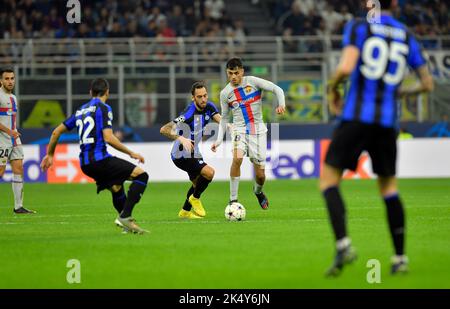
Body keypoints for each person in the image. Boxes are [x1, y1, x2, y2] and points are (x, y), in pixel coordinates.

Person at [321, 0, 434, 276]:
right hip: (386, 123)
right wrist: (397, 91)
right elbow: (428, 84)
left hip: (357, 117)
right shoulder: (406, 34)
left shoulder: (359, 27)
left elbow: (346, 67)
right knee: (389, 189)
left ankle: (344, 245)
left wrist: (332, 88)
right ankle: (399, 258)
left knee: (328, 179)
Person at [40, 78, 149, 234]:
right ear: (107, 92)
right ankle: (125, 216)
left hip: (85, 164)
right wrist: (131, 153)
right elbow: (108, 137)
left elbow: (56, 131)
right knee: (142, 176)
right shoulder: (104, 108)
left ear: (90, 92)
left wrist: (50, 155)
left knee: (116, 186)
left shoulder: (80, 111)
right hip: (100, 159)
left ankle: (126, 223)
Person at [212, 58, 285, 209]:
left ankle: (258, 192)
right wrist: (219, 140)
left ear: (242, 72)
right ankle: (233, 200)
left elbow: (277, 89)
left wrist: (281, 104)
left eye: (236, 73)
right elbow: (225, 118)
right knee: (237, 158)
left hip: (258, 132)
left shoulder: (253, 81)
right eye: (230, 73)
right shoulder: (225, 93)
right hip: (239, 130)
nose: (233, 77)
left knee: (260, 175)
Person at [160, 81, 220, 219]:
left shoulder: (209, 106)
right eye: (199, 97)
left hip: (194, 151)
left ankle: (185, 211)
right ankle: (195, 198)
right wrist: (182, 138)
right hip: (180, 154)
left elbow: (221, 121)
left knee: (197, 183)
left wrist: (228, 129)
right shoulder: (188, 113)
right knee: (209, 173)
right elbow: (164, 129)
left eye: (205, 95)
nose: (204, 99)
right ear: (193, 98)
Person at [0, 67, 35, 214]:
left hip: (14, 139)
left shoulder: (13, 98)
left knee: (19, 168)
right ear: (1, 80)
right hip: (2, 139)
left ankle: (18, 206)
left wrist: (14, 134)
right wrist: (10, 132)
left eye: (12, 78)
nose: (10, 81)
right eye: (7, 79)